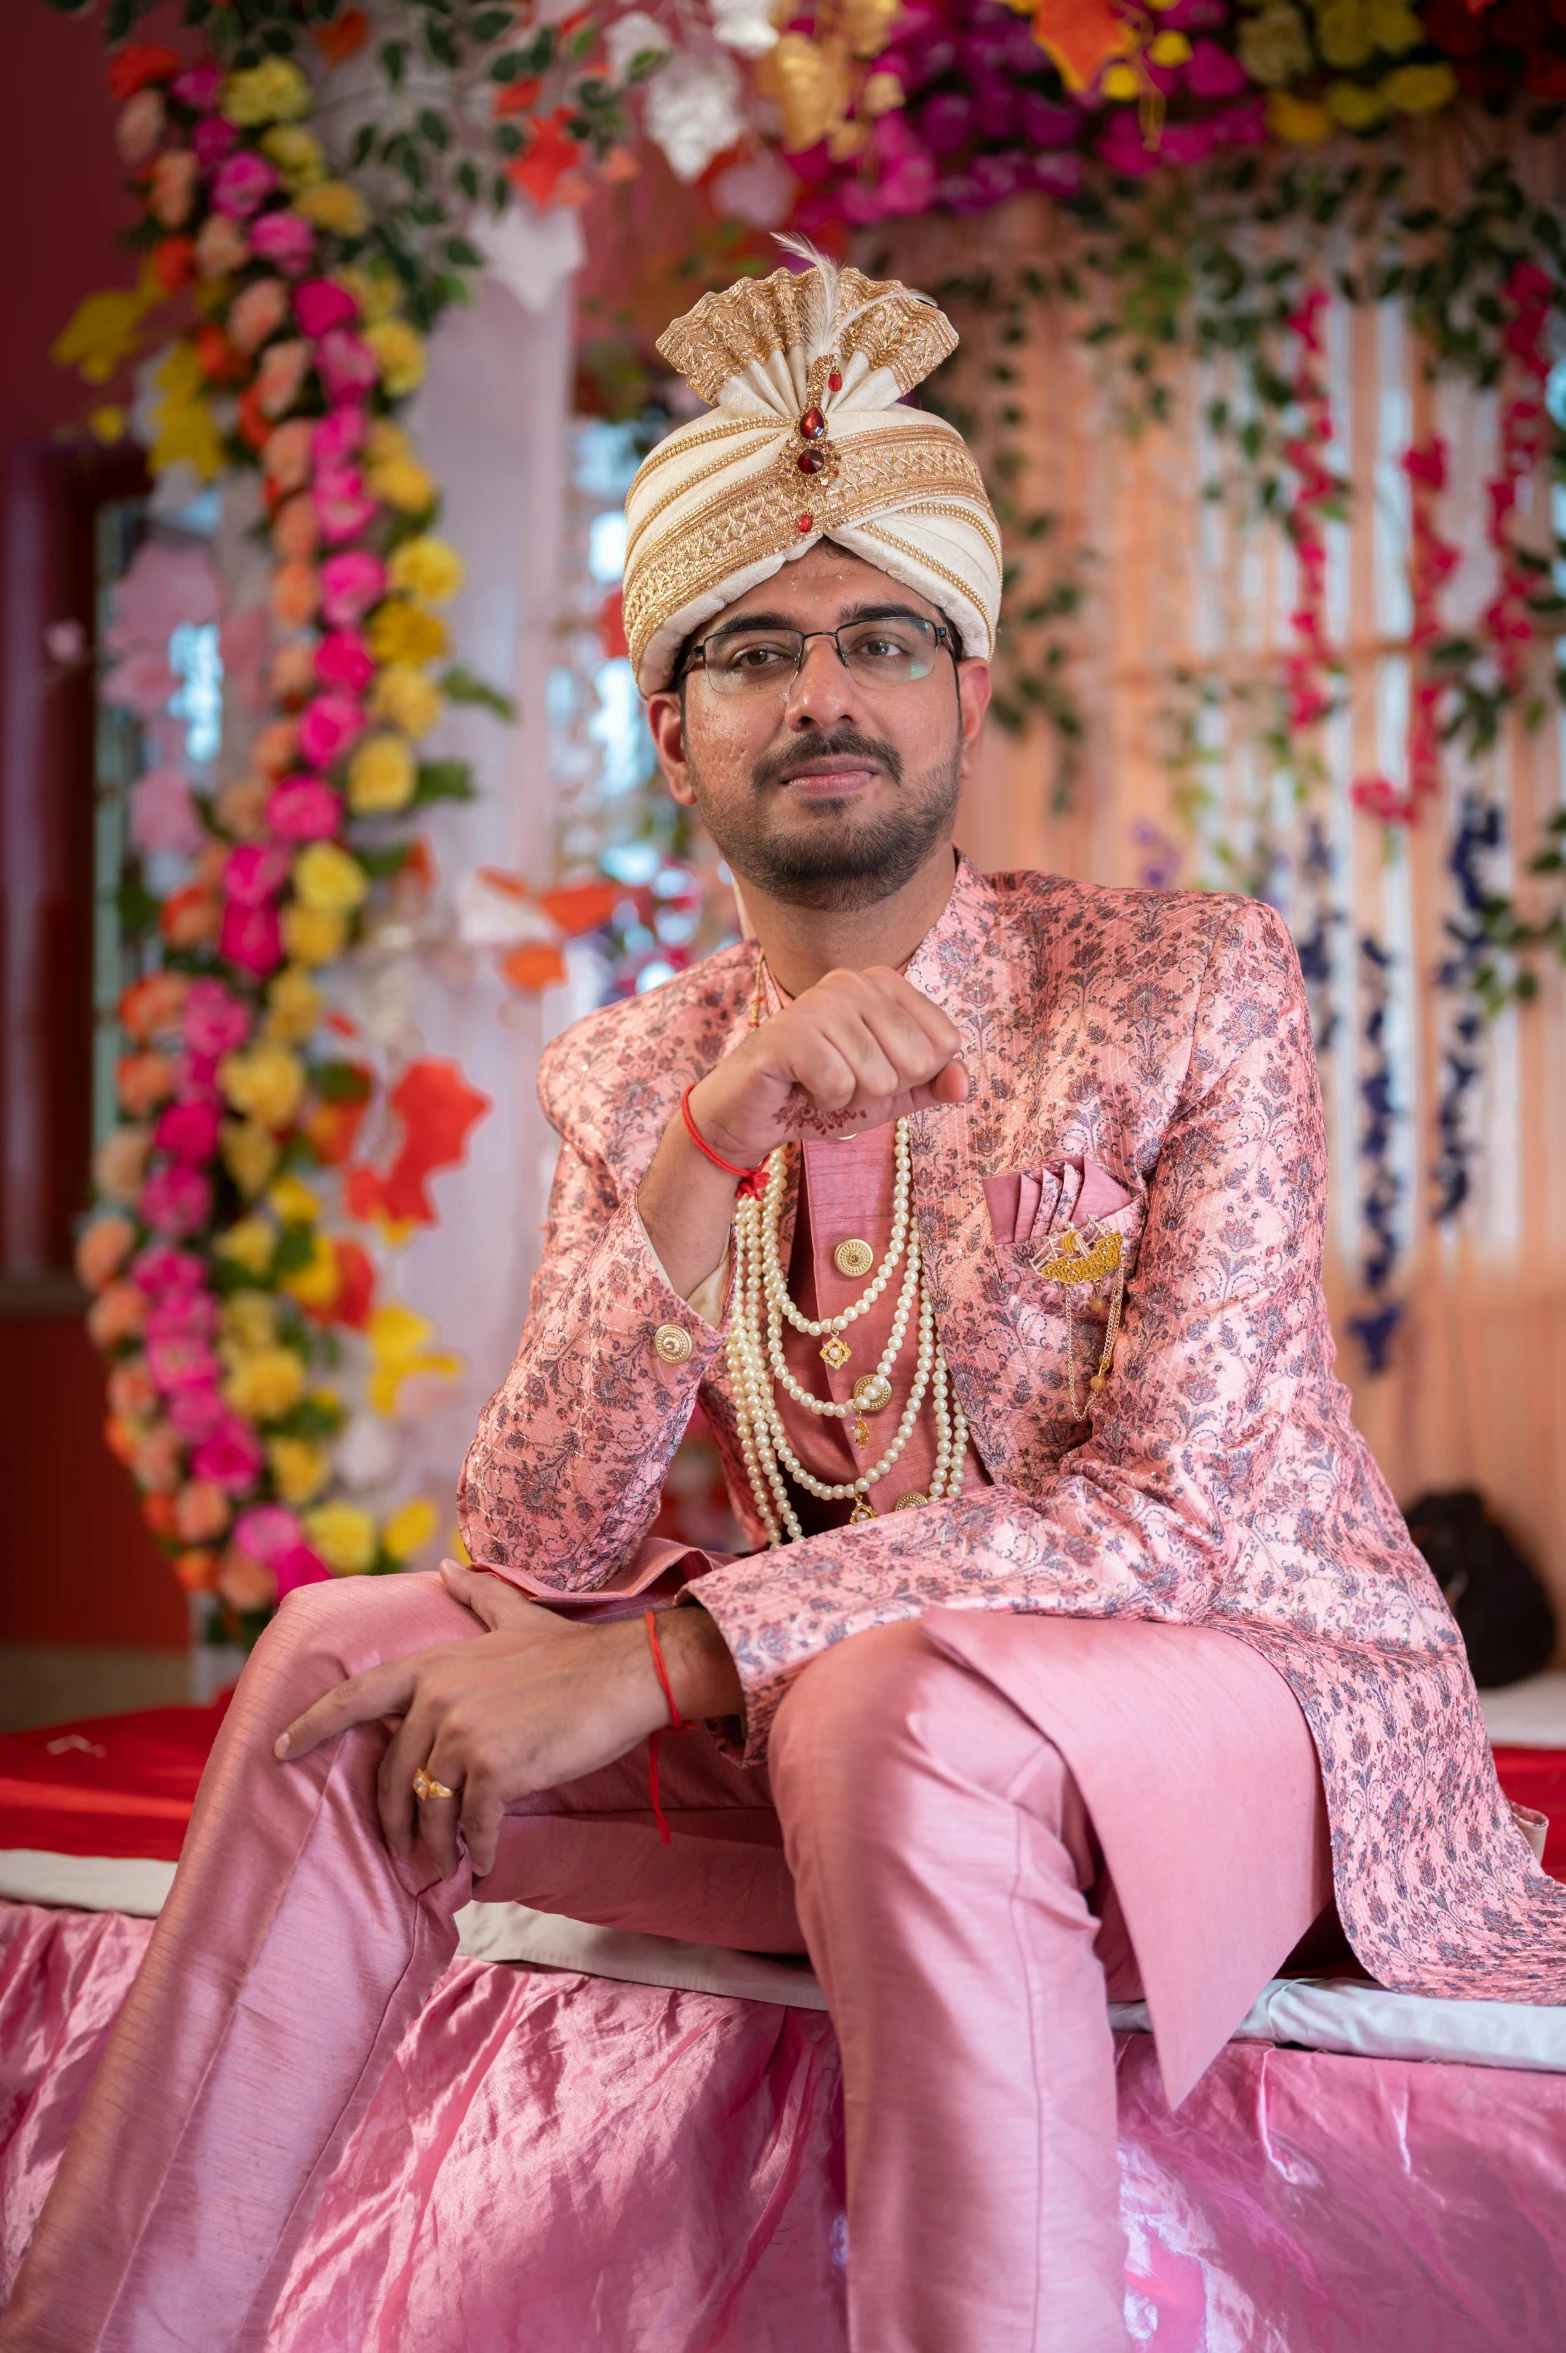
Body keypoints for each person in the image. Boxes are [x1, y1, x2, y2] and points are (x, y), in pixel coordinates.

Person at [5, 255, 1562, 2353]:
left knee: (888, 1706)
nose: (825, 693)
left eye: (882, 640)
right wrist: (709, 1143)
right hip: (831, 1718)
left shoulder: (1185, 985)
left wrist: (671, 1661)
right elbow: (536, 1546)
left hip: (1229, 1694)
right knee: (331, 1663)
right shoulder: (638, 1068)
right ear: (673, 721)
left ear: (965, 694)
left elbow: (1170, 1516)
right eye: (755, 651)